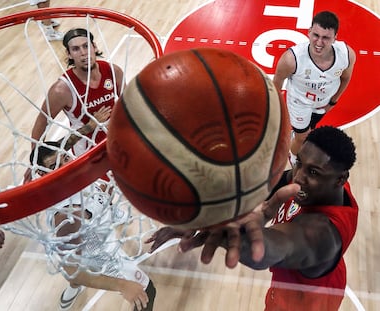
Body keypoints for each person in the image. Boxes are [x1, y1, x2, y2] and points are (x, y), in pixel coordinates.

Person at [147, 126, 358, 310]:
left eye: (313, 172)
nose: (298, 176)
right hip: (321, 279)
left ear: (341, 179)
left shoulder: (321, 236)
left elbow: (270, 249)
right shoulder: (330, 189)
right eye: (299, 163)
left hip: (300, 304)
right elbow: (278, 182)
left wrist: (226, 228)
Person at [29, 141, 156, 311]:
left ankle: (74, 286)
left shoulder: (79, 177)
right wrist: (122, 285)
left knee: (74, 259)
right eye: (54, 165)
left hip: (99, 234)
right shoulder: (66, 217)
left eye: (65, 158)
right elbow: (71, 268)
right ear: (41, 172)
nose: (66, 166)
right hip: (97, 250)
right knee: (146, 293)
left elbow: (99, 197)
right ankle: (77, 283)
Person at [26, 28, 124, 182]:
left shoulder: (113, 71)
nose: (83, 53)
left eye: (86, 46)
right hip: (88, 151)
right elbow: (42, 122)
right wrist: (36, 159)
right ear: (69, 54)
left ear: (95, 47)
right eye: (76, 49)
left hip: (117, 140)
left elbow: (129, 102)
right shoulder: (62, 89)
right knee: (102, 197)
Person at [273, 11, 356, 165]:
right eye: (316, 35)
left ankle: (297, 136)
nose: (319, 42)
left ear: (335, 37)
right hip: (299, 103)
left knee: (310, 129)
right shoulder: (291, 59)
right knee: (302, 137)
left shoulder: (347, 54)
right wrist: (277, 109)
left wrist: (333, 102)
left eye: (326, 38)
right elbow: (276, 83)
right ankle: (294, 156)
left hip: (323, 102)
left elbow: (345, 78)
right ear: (309, 32)